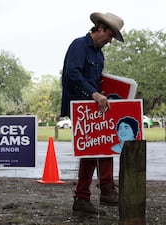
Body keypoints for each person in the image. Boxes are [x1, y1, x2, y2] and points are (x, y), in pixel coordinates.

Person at [60, 12, 125, 217]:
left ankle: (90, 196)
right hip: (80, 105)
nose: (109, 41)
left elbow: (98, 82)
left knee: (100, 147)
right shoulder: (79, 45)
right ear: (101, 29)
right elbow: (73, 73)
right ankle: (97, 193)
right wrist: (93, 93)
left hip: (94, 106)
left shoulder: (99, 54)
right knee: (93, 149)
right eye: (110, 36)